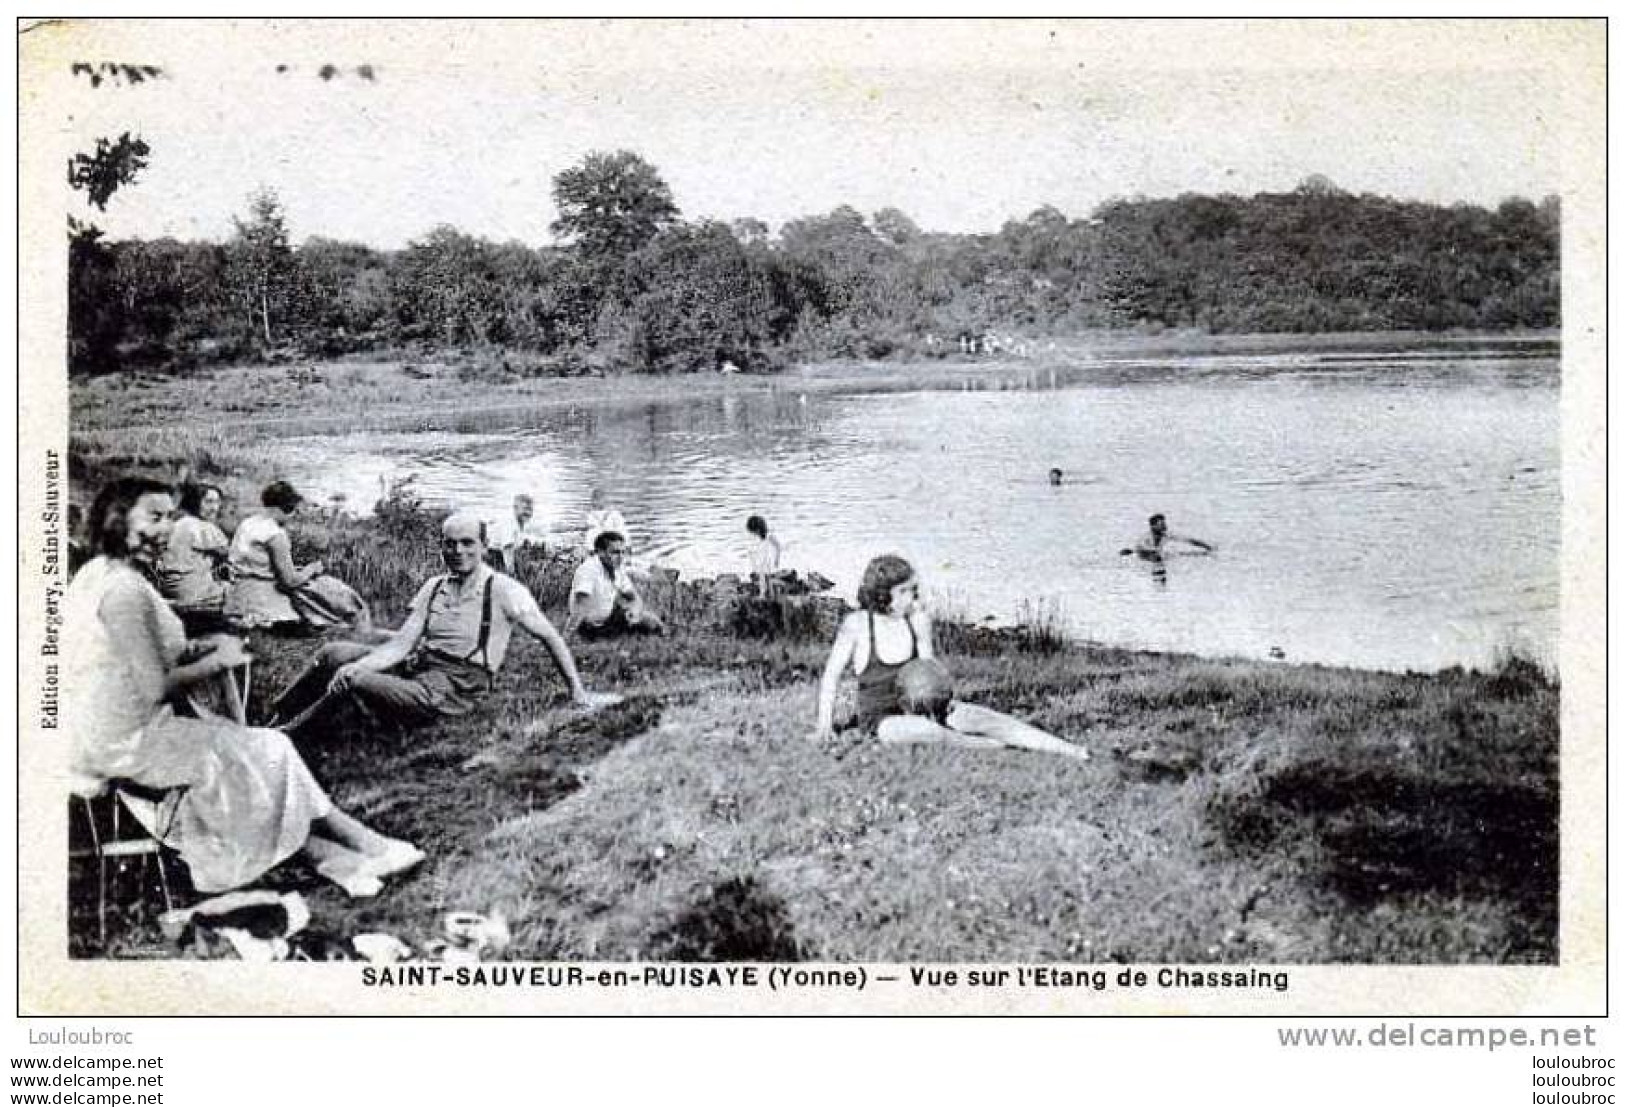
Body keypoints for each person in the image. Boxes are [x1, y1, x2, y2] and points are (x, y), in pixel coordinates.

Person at [65, 477, 423, 899]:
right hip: (124, 741)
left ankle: (332, 856)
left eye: (170, 518)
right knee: (270, 749)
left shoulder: (98, 572)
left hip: (98, 730)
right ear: (117, 517)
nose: (165, 529)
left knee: (247, 751)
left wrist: (195, 647)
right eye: (154, 517)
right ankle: (366, 843)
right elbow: (153, 687)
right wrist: (219, 660)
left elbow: (123, 655)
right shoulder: (124, 590)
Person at [271, 512, 621, 732]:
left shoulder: (503, 589)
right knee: (334, 653)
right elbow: (402, 643)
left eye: (468, 543)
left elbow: (550, 636)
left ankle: (290, 735)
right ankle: (274, 714)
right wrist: (361, 660)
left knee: (356, 680)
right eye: (450, 544)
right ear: (442, 547)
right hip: (418, 666)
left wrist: (578, 690)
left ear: (484, 546)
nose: (458, 551)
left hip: (454, 691)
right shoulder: (434, 586)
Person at [813, 554, 1088, 760]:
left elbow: (929, 672)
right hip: (882, 719)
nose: (913, 597)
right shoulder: (858, 625)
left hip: (924, 707)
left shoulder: (918, 621)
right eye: (904, 591)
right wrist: (825, 725)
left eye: (914, 590)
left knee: (986, 718)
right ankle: (993, 747)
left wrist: (943, 704)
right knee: (920, 732)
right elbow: (831, 677)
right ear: (883, 594)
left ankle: (1072, 750)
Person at [226, 480, 370, 632]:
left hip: (238, 593)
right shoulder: (275, 534)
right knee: (325, 599)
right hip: (260, 597)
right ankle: (354, 625)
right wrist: (312, 569)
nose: (293, 516)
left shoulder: (247, 523)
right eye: (293, 511)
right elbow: (290, 581)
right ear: (286, 508)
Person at [155, 482, 232, 633]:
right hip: (192, 592)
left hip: (170, 588)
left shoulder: (176, 523)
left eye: (217, 502)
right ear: (195, 502)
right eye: (208, 502)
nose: (214, 508)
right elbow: (233, 555)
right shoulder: (203, 527)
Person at [567, 531, 665, 639]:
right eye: (615, 552)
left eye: (623, 552)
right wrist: (569, 634)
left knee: (653, 622)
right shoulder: (588, 570)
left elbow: (634, 597)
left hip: (609, 619)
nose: (621, 557)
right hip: (588, 626)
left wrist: (634, 612)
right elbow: (581, 605)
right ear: (600, 552)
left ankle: (663, 639)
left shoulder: (617, 569)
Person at [1122, 513, 1215, 560]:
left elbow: (1189, 540)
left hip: (1155, 555)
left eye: (1164, 523)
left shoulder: (1166, 535)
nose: (1165, 526)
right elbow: (1144, 549)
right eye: (1161, 524)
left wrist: (1207, 547)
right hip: (1142, 556)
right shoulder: (1145, 538)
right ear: (1153, 526)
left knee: (1186, 554)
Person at [487, 493, 541, 573]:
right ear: (515, 508)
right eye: (525, 509)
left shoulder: (519, 523)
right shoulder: (509, 523)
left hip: (499, 553)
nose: (528, 513)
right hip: (491, 555)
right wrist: (512, 574)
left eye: (530, 510)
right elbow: (507, 549)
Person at [745, 514, 783, 598]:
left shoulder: (769, 535)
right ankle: (764, 593)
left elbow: (778, 546)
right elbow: (759, 547)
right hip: (761, 559)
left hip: (768, 559)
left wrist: (777, 559)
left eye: (754, 531)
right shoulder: (759, 536)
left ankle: (767, 594)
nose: (754, 533)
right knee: (762, 576)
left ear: (759, 529)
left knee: (767, 577)